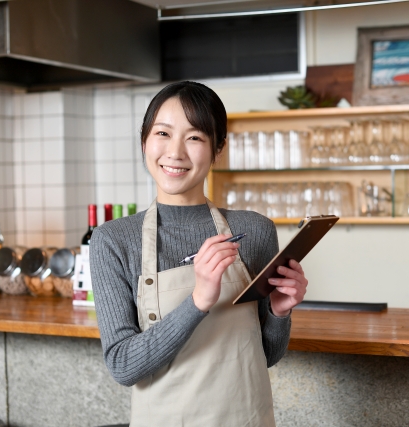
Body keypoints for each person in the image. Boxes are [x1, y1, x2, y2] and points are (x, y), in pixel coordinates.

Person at [91, 81, 309, 427]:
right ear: (145, 140)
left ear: (218, 148)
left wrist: (280, 313)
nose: (175, 152)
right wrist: (198, 301)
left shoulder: (255, 231)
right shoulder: (114, 240)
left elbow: (265, 356)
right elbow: (123, 365)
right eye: (162, 133)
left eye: (194, 138)